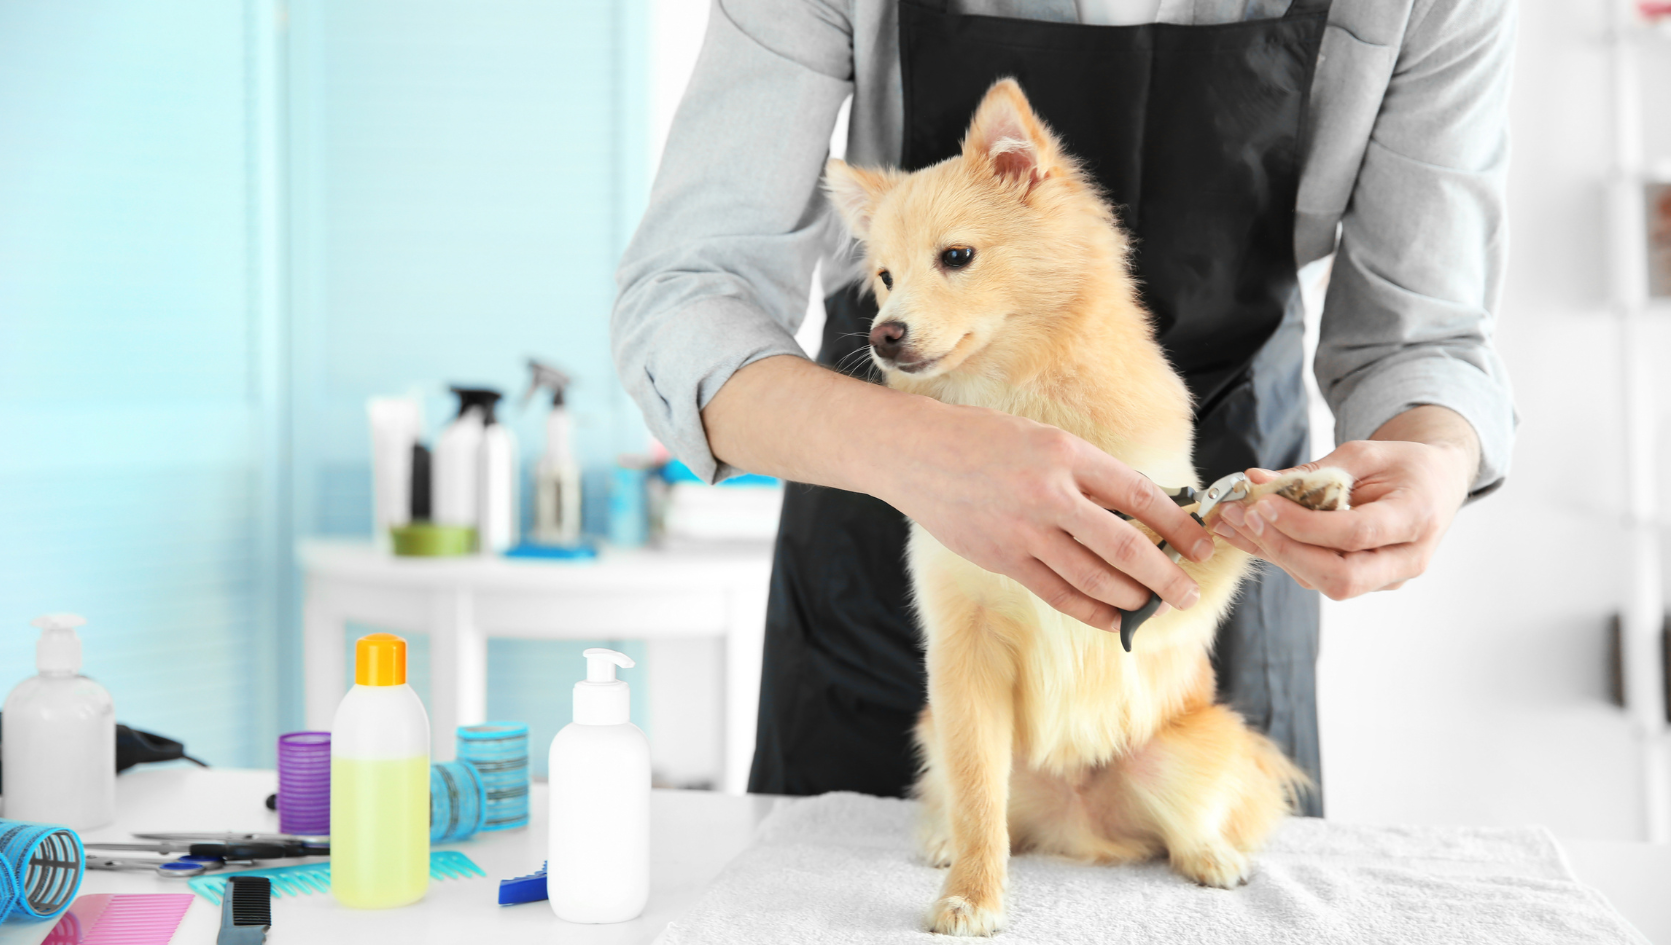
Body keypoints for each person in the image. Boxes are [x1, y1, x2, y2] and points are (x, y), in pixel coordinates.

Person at [612, 0, 1516, 816]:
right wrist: (922, 446)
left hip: (1214, 508)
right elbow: (688, 299)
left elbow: (1423, 340)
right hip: (888, 533)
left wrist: (1432, 454)